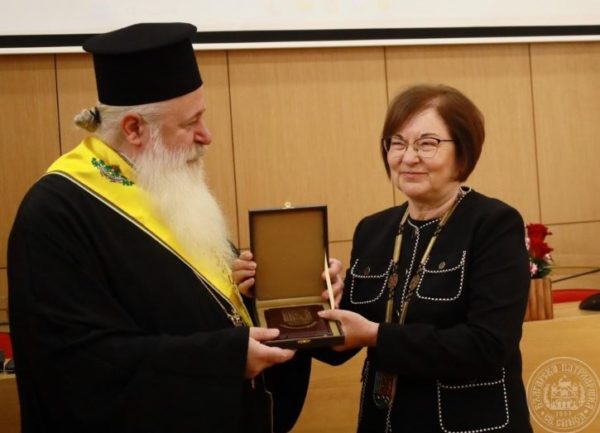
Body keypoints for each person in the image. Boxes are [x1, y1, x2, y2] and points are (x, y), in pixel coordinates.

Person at [7, 22, 342, 433]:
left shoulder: (161, 184)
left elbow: (189, 304)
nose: (207, 136)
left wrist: (260, 291)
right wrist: (224, 359)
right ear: (134, 128)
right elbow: (77, 367)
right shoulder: (57, 213)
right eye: (190, 123)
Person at [316, 84, 533, 432]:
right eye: (397, 143)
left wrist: (376, 335)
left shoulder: (494, 224)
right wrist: (314, 298)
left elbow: (489, 345)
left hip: (469, 424)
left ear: (463, 152)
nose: (408, 157)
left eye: (427, 144)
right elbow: (337, 347)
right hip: (382, 422)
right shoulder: (373, 230)